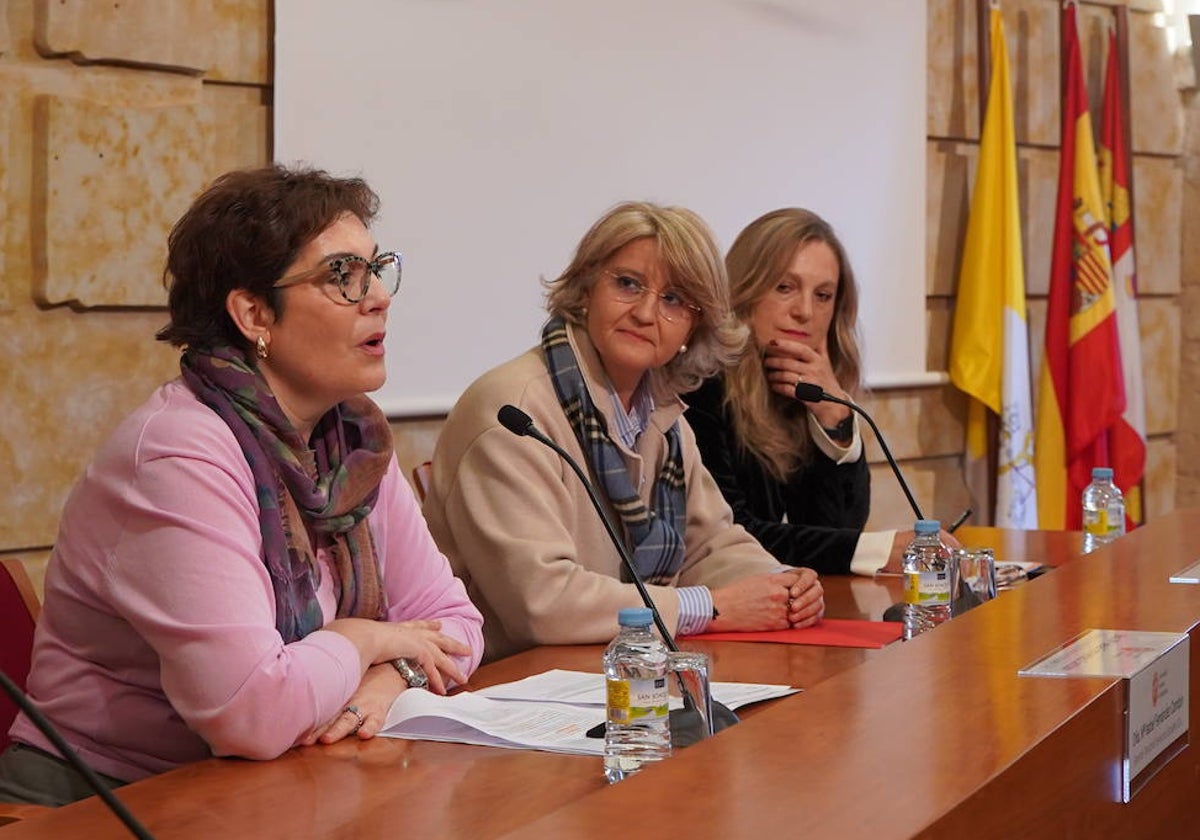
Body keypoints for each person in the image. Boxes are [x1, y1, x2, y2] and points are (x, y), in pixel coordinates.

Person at [0, 165, 483, 806]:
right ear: (254, 312)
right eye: (343, 276)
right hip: (107, 800)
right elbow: (250, 710)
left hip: (283, 783)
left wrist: (392, 673)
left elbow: (454, 625)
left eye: (377, 268)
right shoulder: (180, 455)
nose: (379, 297)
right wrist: (362, 639)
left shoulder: (352, 443)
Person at [422, 201, 824, 664]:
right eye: (628, 284)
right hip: (505, 686)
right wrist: (710, 607)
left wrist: (781, 586)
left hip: (613, 667)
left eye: (674, 300)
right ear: (587, 286)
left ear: (695, 325)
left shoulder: (661, 412)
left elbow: (712, 544)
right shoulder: (513, 410)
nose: (647, 313)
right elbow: (543, 605)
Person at [685, 208, 949, 576]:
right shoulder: (699, 388)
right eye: (784, 287)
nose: (805, 311)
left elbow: (834, 527)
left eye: (823, 295)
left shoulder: (799, 389)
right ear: (743, 291)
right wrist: (877, 549)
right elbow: (731, 537)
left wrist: (834, 419)